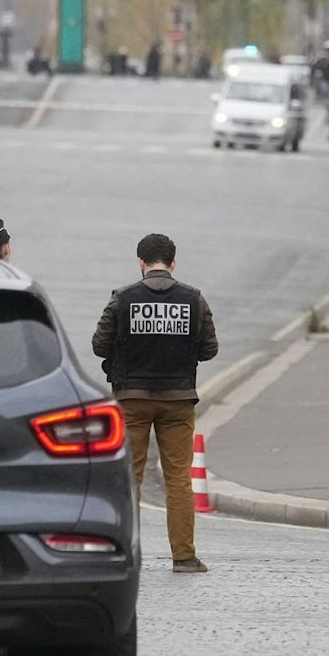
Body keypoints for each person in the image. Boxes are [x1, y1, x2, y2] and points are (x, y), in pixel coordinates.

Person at [91, 234, 219, 574]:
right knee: (178, 478)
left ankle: (126, 554)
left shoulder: (123, 299)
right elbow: (209, 349)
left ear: (141, 263)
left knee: (129, 478)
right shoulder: (193, 300)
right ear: (173, 263)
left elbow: (99, 345)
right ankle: (184, 557)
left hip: (131, 398)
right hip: (178, 401)